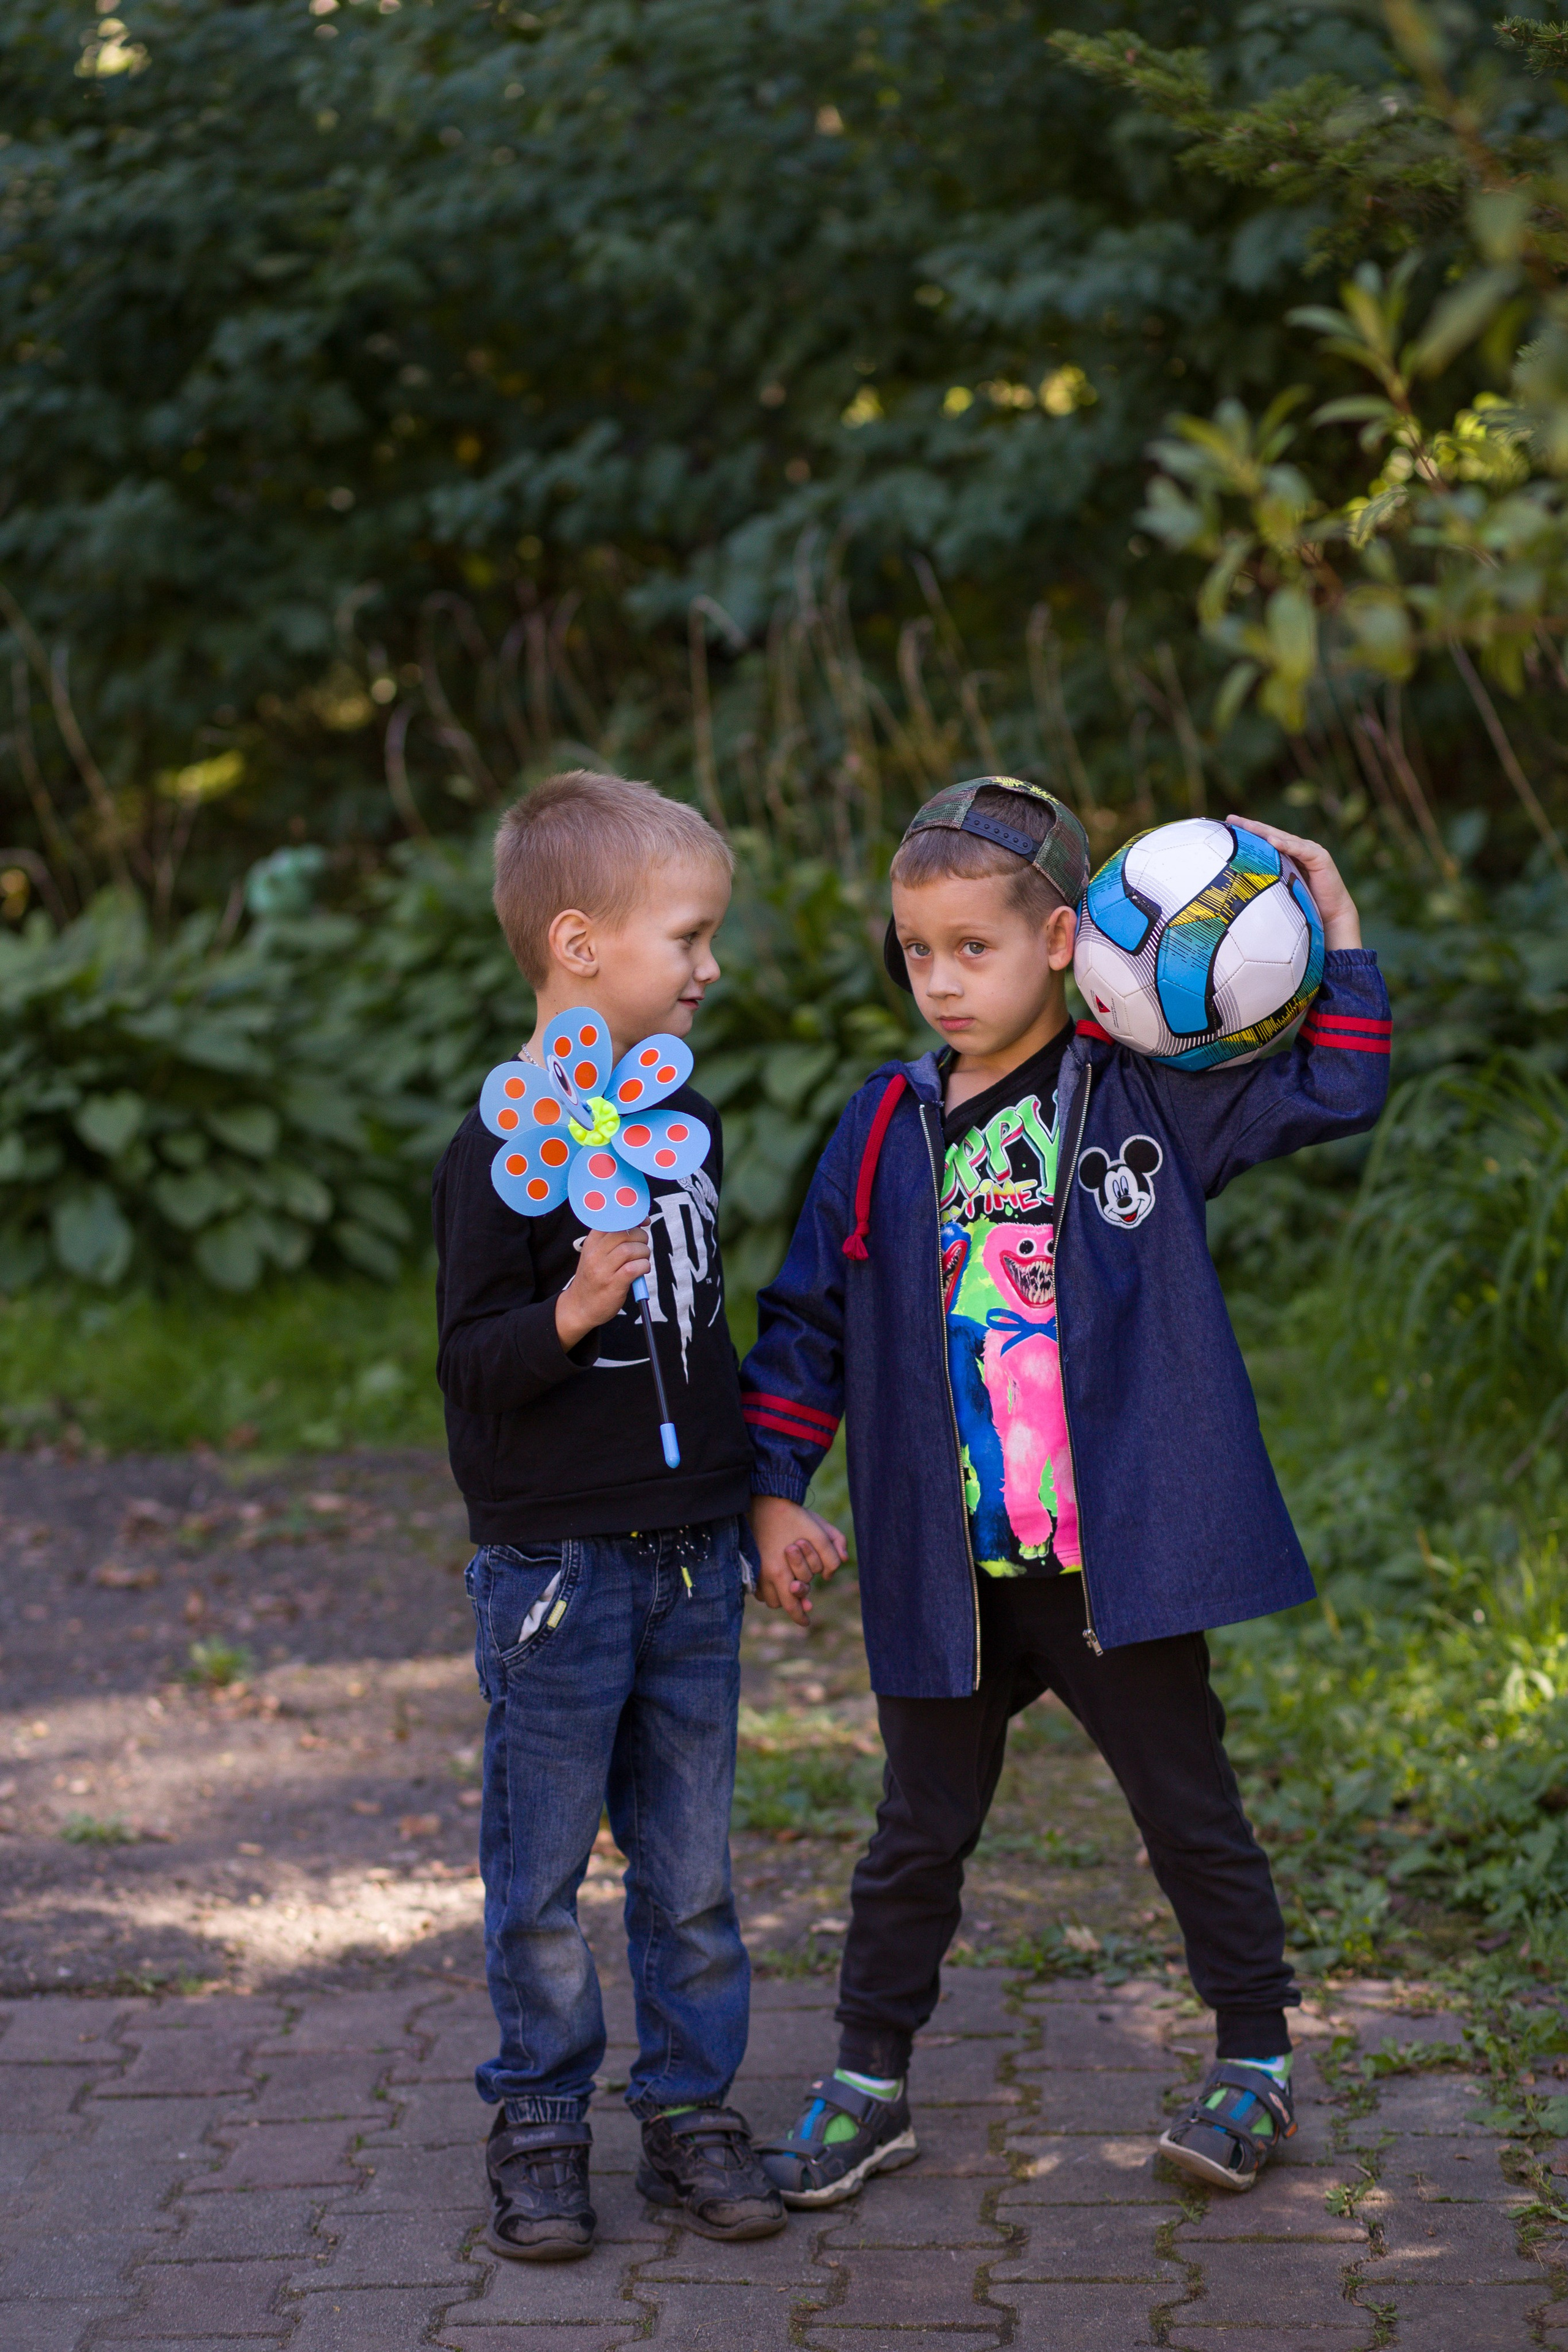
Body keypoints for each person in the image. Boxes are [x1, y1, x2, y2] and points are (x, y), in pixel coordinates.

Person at [741, 776, 1391, 2202]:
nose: (939, 981)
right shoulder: (880, 1126)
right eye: (916, 952)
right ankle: (865, 2082)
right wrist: (774, 1487)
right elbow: (806, 1322)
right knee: (914, 1832)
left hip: (1115, 1563)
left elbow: (1336, 1084)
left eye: (971, 948)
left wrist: (1334, 927)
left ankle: (1253, 2062)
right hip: (942, 1567)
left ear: (1058, 940)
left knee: (1186, 1807)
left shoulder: (1144, 1096)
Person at [432, 769, 789, 2260]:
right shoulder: (491, 1155)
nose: (712, 966)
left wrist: (763, 1496)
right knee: (537, 1877)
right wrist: (572, 1308)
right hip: (556, 1575)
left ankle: (690, 2113)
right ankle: (538, 2119)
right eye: (688, 937)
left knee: (692, 1868)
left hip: (693, 1558)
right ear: (580, 946)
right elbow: (469, 1373)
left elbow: (710, 1333)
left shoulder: (680, 1119)